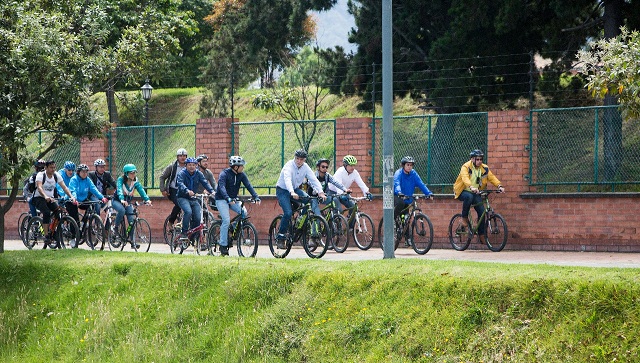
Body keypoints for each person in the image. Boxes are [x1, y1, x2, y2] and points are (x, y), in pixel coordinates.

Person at [274, 149, 326, 249]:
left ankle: (300, 220)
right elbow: (287, 179)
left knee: (309, 200)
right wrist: (291, 192)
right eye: (297, 158)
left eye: (301, 159)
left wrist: (320, 192)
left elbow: (313, 179)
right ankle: (281, 237)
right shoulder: (289, 166)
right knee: (288, 213)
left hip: (295, 189)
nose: (298, 161)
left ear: (304, 160)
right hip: (283, 190)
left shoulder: (305, 167)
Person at [453, 149, 504, 244]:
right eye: (477, 159)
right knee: (469, 197)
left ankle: (481, 235)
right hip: (462, 190)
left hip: (476, 192)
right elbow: (465, 178)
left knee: (482, 212)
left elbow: (492, 177)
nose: (480, 161)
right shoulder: (466, 167)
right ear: (472, 159)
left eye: (481, 159)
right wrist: (471, 186)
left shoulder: (484, 168)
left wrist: (499, 186)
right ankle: (464, 218)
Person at [214, 156, 261, 256]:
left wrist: (256, 196)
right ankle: (223, 245)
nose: (243, 168)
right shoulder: (224, 174)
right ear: (235, 167)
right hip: (222, 199)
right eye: (241, 166)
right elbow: (221, 187)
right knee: (226, 220)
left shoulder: (241, 175)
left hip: (233, 199)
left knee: (244, 212)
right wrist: (227, 198)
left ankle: (233, 227)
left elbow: (248, 185)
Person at [31, 160, 76, 245]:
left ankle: (52, 230)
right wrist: (45, 196)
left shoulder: (56, 175)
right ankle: (46, 235)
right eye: (51, 167)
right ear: (46, 168)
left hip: (51, 198)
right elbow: (39, 187)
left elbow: (64, 187)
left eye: (54, 167)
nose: (53, 169)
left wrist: (72, 196)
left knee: (58, 212)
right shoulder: (41, 175)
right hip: (39, 197)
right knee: (46, 212)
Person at [67, 164, 107, 248]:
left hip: (83, 199)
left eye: (86, 172)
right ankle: (72, 238)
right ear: (78, 172)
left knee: (90, 207)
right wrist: (74, 199)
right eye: (83, 172)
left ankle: (84, 225)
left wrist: (102, 197)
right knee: (74, 218)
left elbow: (94, 189)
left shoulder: (87, 180)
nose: (85, 173)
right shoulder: (74, 180)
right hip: (72, 200)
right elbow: (72, 190)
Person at [175, 157, 215, 242]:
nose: (191, 167)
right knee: (188, 211)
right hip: (183, 197)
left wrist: (212, 191)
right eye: (189, 165)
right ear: (186, 166)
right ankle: (184, 233)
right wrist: (187, 191)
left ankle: (193, 236)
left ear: (196, 166)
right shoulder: (182, 173)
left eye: (193, 165)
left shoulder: (198, 173)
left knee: (198, 217)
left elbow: (205, 182)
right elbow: (180, 183)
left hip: (194, 198)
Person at [112, 164, 152, 247]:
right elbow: (119, 189)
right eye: (131, 173)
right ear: (126, 173)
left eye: (134, 173)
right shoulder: (121, 180)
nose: (133, 175)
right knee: (122, 211)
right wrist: (122, 199)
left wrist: (147, 199)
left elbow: (141, 190)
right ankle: (115, 228)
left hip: (127, 202)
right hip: (117, 200)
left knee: (132, 221)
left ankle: (132, 241)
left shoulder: (135, 181)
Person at [329, 155, 373, 226]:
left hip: (344, 192)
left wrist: (367, 193)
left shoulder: (355, 173)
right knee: (338, 210)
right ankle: (335, 228)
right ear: (345, 165)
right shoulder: (340, 172)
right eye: (350, 165)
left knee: (353, 207)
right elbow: (338, 186)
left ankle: (350, 227)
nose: (353, 167)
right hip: (333, 192)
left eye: (354, 165)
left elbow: (361, 184)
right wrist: (342, 194)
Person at [393, 156, 433, 220]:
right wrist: (399, 192)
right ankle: (392, 220)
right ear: (403, 165)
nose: (409, 167)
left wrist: (428, 193)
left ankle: (404, 228)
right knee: (401, 204)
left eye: (411, 165)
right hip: (397, 196)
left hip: (407, 197)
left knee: (405, 219)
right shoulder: (398, 173)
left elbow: (421, 184)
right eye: (408, 165)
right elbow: (396, 183)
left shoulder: (413, 174)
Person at [159, 148, 188, 226]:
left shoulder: (189, 166)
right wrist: (162, 189)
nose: (182, 157)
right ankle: (171, 221)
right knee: (179, 204)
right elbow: (162, 177)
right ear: (177, 157)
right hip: (173, 190)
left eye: (184, 156)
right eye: (180, 156)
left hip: (185, 190)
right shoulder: (172, 167)